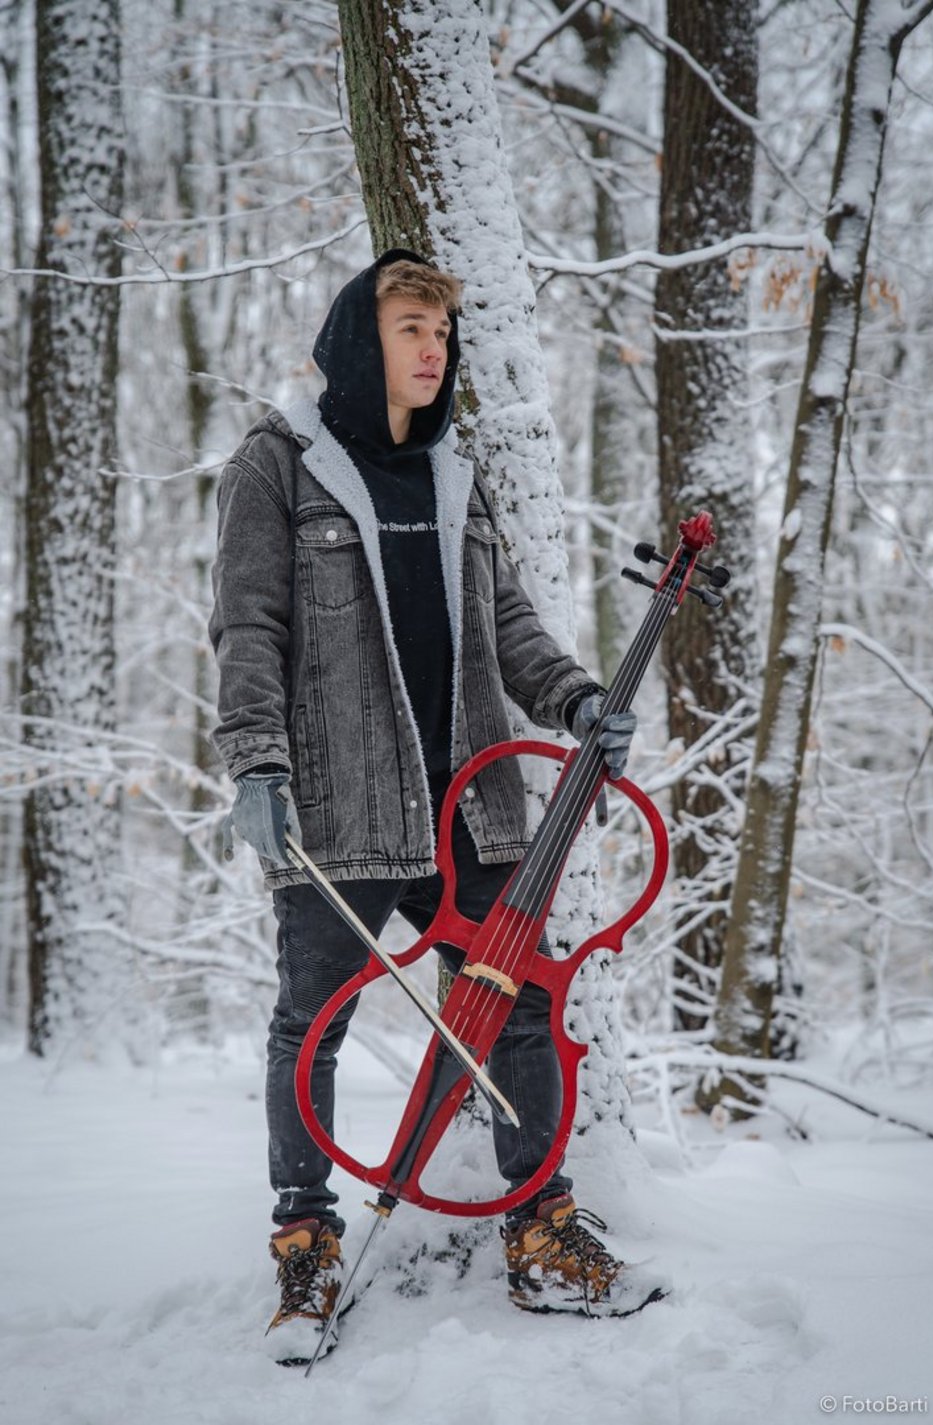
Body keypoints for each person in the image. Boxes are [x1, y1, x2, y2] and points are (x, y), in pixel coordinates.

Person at [210, 249, 651, 1364]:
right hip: (339, 805)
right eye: (410, 328)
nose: (430, 350)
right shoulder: (276, 466)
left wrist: (579, 700)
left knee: (511, 1012)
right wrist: (255, 764)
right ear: (361, 339)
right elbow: (248, 627)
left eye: (441, 335)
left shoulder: (457, 471)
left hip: (473, 801)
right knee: (309, 1020)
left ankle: (540, 1228)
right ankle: (304, 1242)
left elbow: (508, 628)